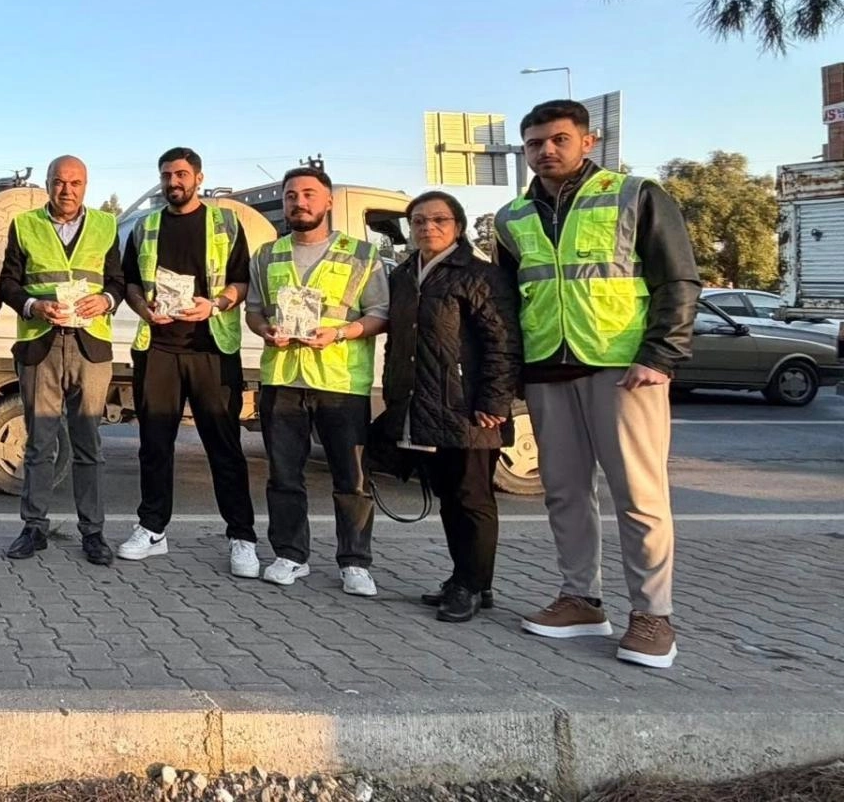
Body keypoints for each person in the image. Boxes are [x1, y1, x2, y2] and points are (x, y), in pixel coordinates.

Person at [495, 100, 699, 669]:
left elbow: (678, 279)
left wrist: (661, 355)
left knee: (639, 497)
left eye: (558, 139)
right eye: (534, 143)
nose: (546, 151)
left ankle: (653, 616)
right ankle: (581, 600)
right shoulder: (512, 217)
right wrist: (512, 374)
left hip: (625, 369)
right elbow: (508, 302)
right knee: (563, 493)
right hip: (547, 370)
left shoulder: (635, 195)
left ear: (589, 141)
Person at [243, 165, 388, 596]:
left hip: (341, 382)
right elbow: (254, 311)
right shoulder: (267, 255)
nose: (299, 202)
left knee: (352, 479)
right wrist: (264, 330)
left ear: (328, 201)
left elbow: (380, 314)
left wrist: (339, 333)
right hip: (283, 378)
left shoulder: (361, 254)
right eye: (291, 196)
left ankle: (355, 562)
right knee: (284, 476)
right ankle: (290, 555)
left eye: (308, 194)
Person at [380, 190, 520, 623]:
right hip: (425, 404)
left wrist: (494, 399)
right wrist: (394, 395)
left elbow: (503, 342)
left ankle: (472, 586)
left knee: (472, 497)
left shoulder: (481, 275)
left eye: (439, 219)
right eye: (419, 221)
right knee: (448, 496)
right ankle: (466, 577)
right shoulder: (404, 275)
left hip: (470, 407)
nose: (428, 227)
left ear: (458, 226)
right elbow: (398, 343)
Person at [118, 147, 258, 575]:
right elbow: (130, 284)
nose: (173, 182)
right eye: (166, 175)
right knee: (154, 446)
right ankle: (152, 529)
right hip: (158, 349)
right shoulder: (146, 226)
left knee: (224, 447)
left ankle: (242, 537)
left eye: (181, 174)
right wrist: (144, 310)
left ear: (199, 177)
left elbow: (241, 281)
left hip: (211, 348)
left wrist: (214, 305)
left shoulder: (225, 223)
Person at [0, 155, 125, 565]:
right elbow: (8, 283)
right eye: (58, 182)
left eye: (75, 183)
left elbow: (119, 282)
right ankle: (34, 528)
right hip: (42, 344)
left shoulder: (106, 226)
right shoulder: (25, 225)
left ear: (85, 185)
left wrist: (105, 301)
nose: (66, 190)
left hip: (90, 346)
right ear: (48, 184)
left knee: (89, 445)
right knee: (39, 444)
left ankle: (93, 532)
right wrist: (33, 306)